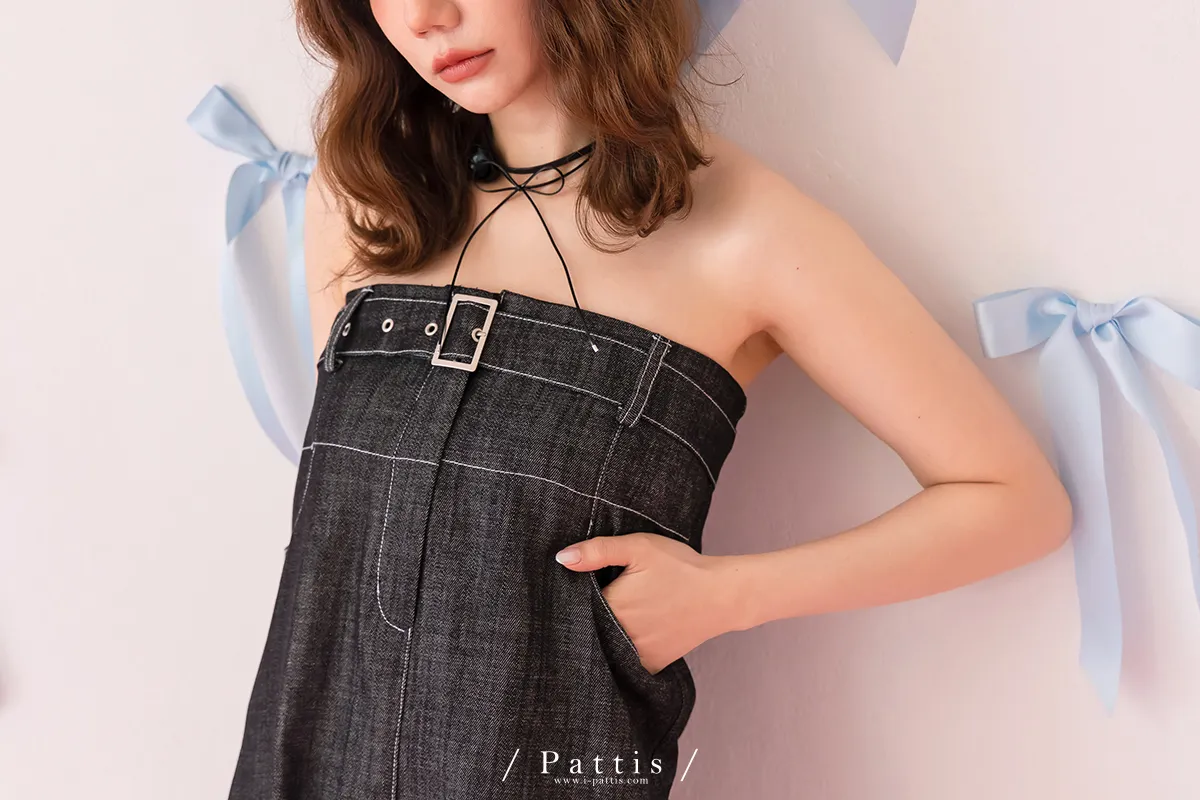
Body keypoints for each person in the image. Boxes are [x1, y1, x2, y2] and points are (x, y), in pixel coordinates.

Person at [226, 0, 1073, 797]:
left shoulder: (746, 230)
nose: (425, 18)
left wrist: (727, 595)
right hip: (300, 759)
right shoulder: (365, 201)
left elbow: (1016, 499)